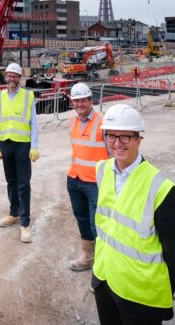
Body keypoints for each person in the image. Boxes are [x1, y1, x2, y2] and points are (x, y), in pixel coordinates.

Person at [92, 104, 175, 324]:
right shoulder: (102, 170)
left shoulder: (161, 188)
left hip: (140, 295)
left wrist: (163, 290)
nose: (117, 144)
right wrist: (97, 277)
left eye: (125, 137)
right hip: (104, 280)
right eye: (111, 136)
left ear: (138, 139)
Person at [0, 62, 39, 243]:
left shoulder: (28, 97)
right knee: (11, 181)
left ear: (20, 78)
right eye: (9, 75)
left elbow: (33, 123)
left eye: (15, 76)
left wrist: (34, 146)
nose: (11, 78)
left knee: (23, 184)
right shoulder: (0, 96)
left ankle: (25, 222)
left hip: (23, 146)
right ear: (6, 77)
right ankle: (14, 213)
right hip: (6, 144)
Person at [67, 82, 110, 272]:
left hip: (95, 183)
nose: (79, 104)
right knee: (82, 219)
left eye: (83, 100)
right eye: (76, 101)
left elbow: (113, 154)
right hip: (75, 179)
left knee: (98, 225)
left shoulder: (104, 122)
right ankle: (87, 256)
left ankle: (103, 267)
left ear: (90, 101)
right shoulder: (71, 121)